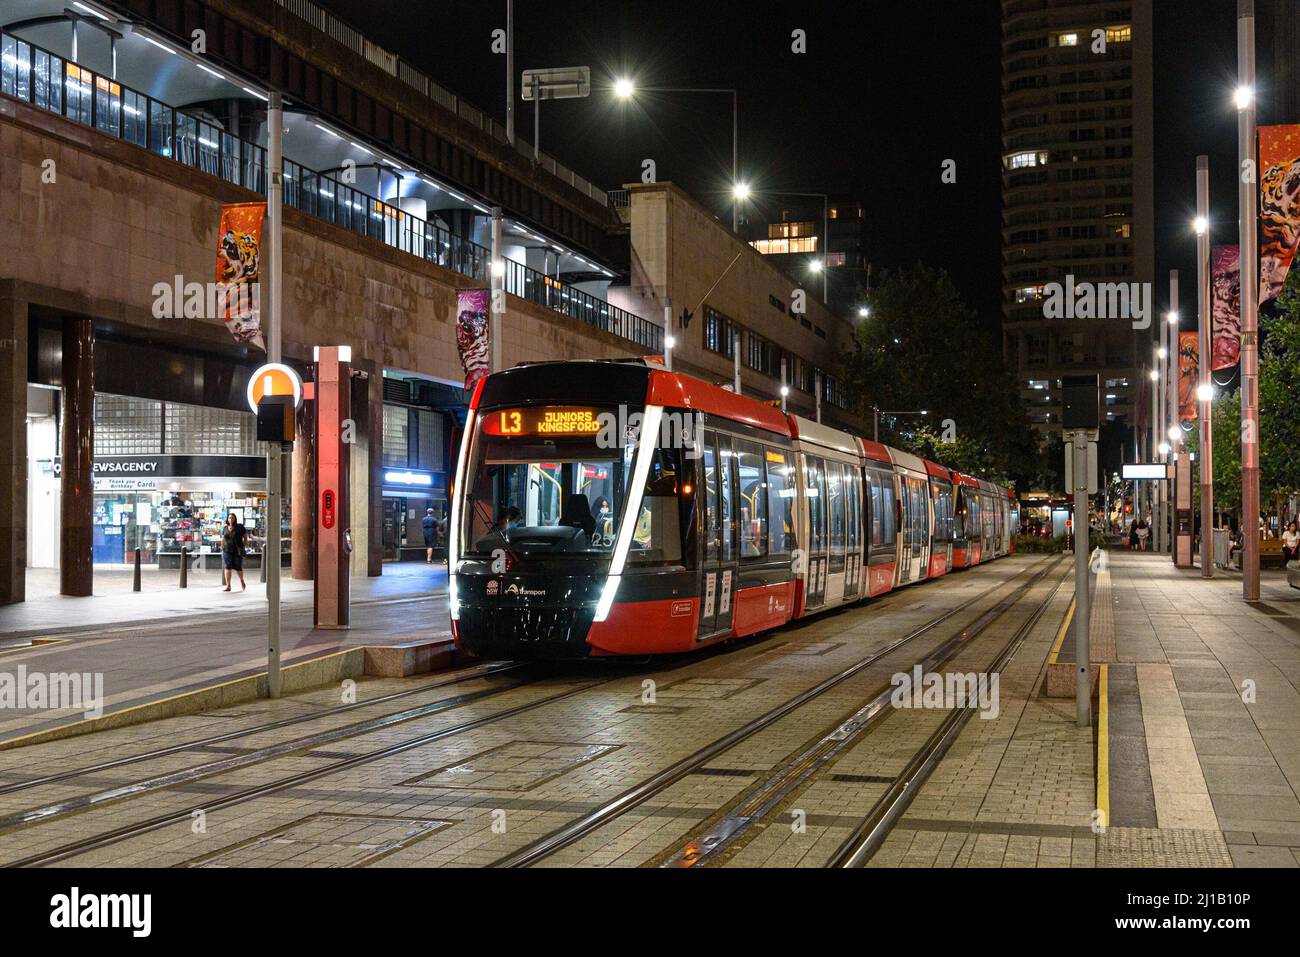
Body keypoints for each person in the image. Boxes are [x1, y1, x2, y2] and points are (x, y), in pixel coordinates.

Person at [221, 512, 247, 591]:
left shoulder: (240, 527)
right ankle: (228, 586)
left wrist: (243, 547)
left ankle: (242, 580)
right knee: (227, 567)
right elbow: (222, 538)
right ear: (227, 519)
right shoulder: (225, 528)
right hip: (227, 551)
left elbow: (245, 537)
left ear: (235, 519)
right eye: (229, 518)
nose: (231, 519)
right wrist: (222, 547)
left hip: (237, 551)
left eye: (232, 518)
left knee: (238, 567)